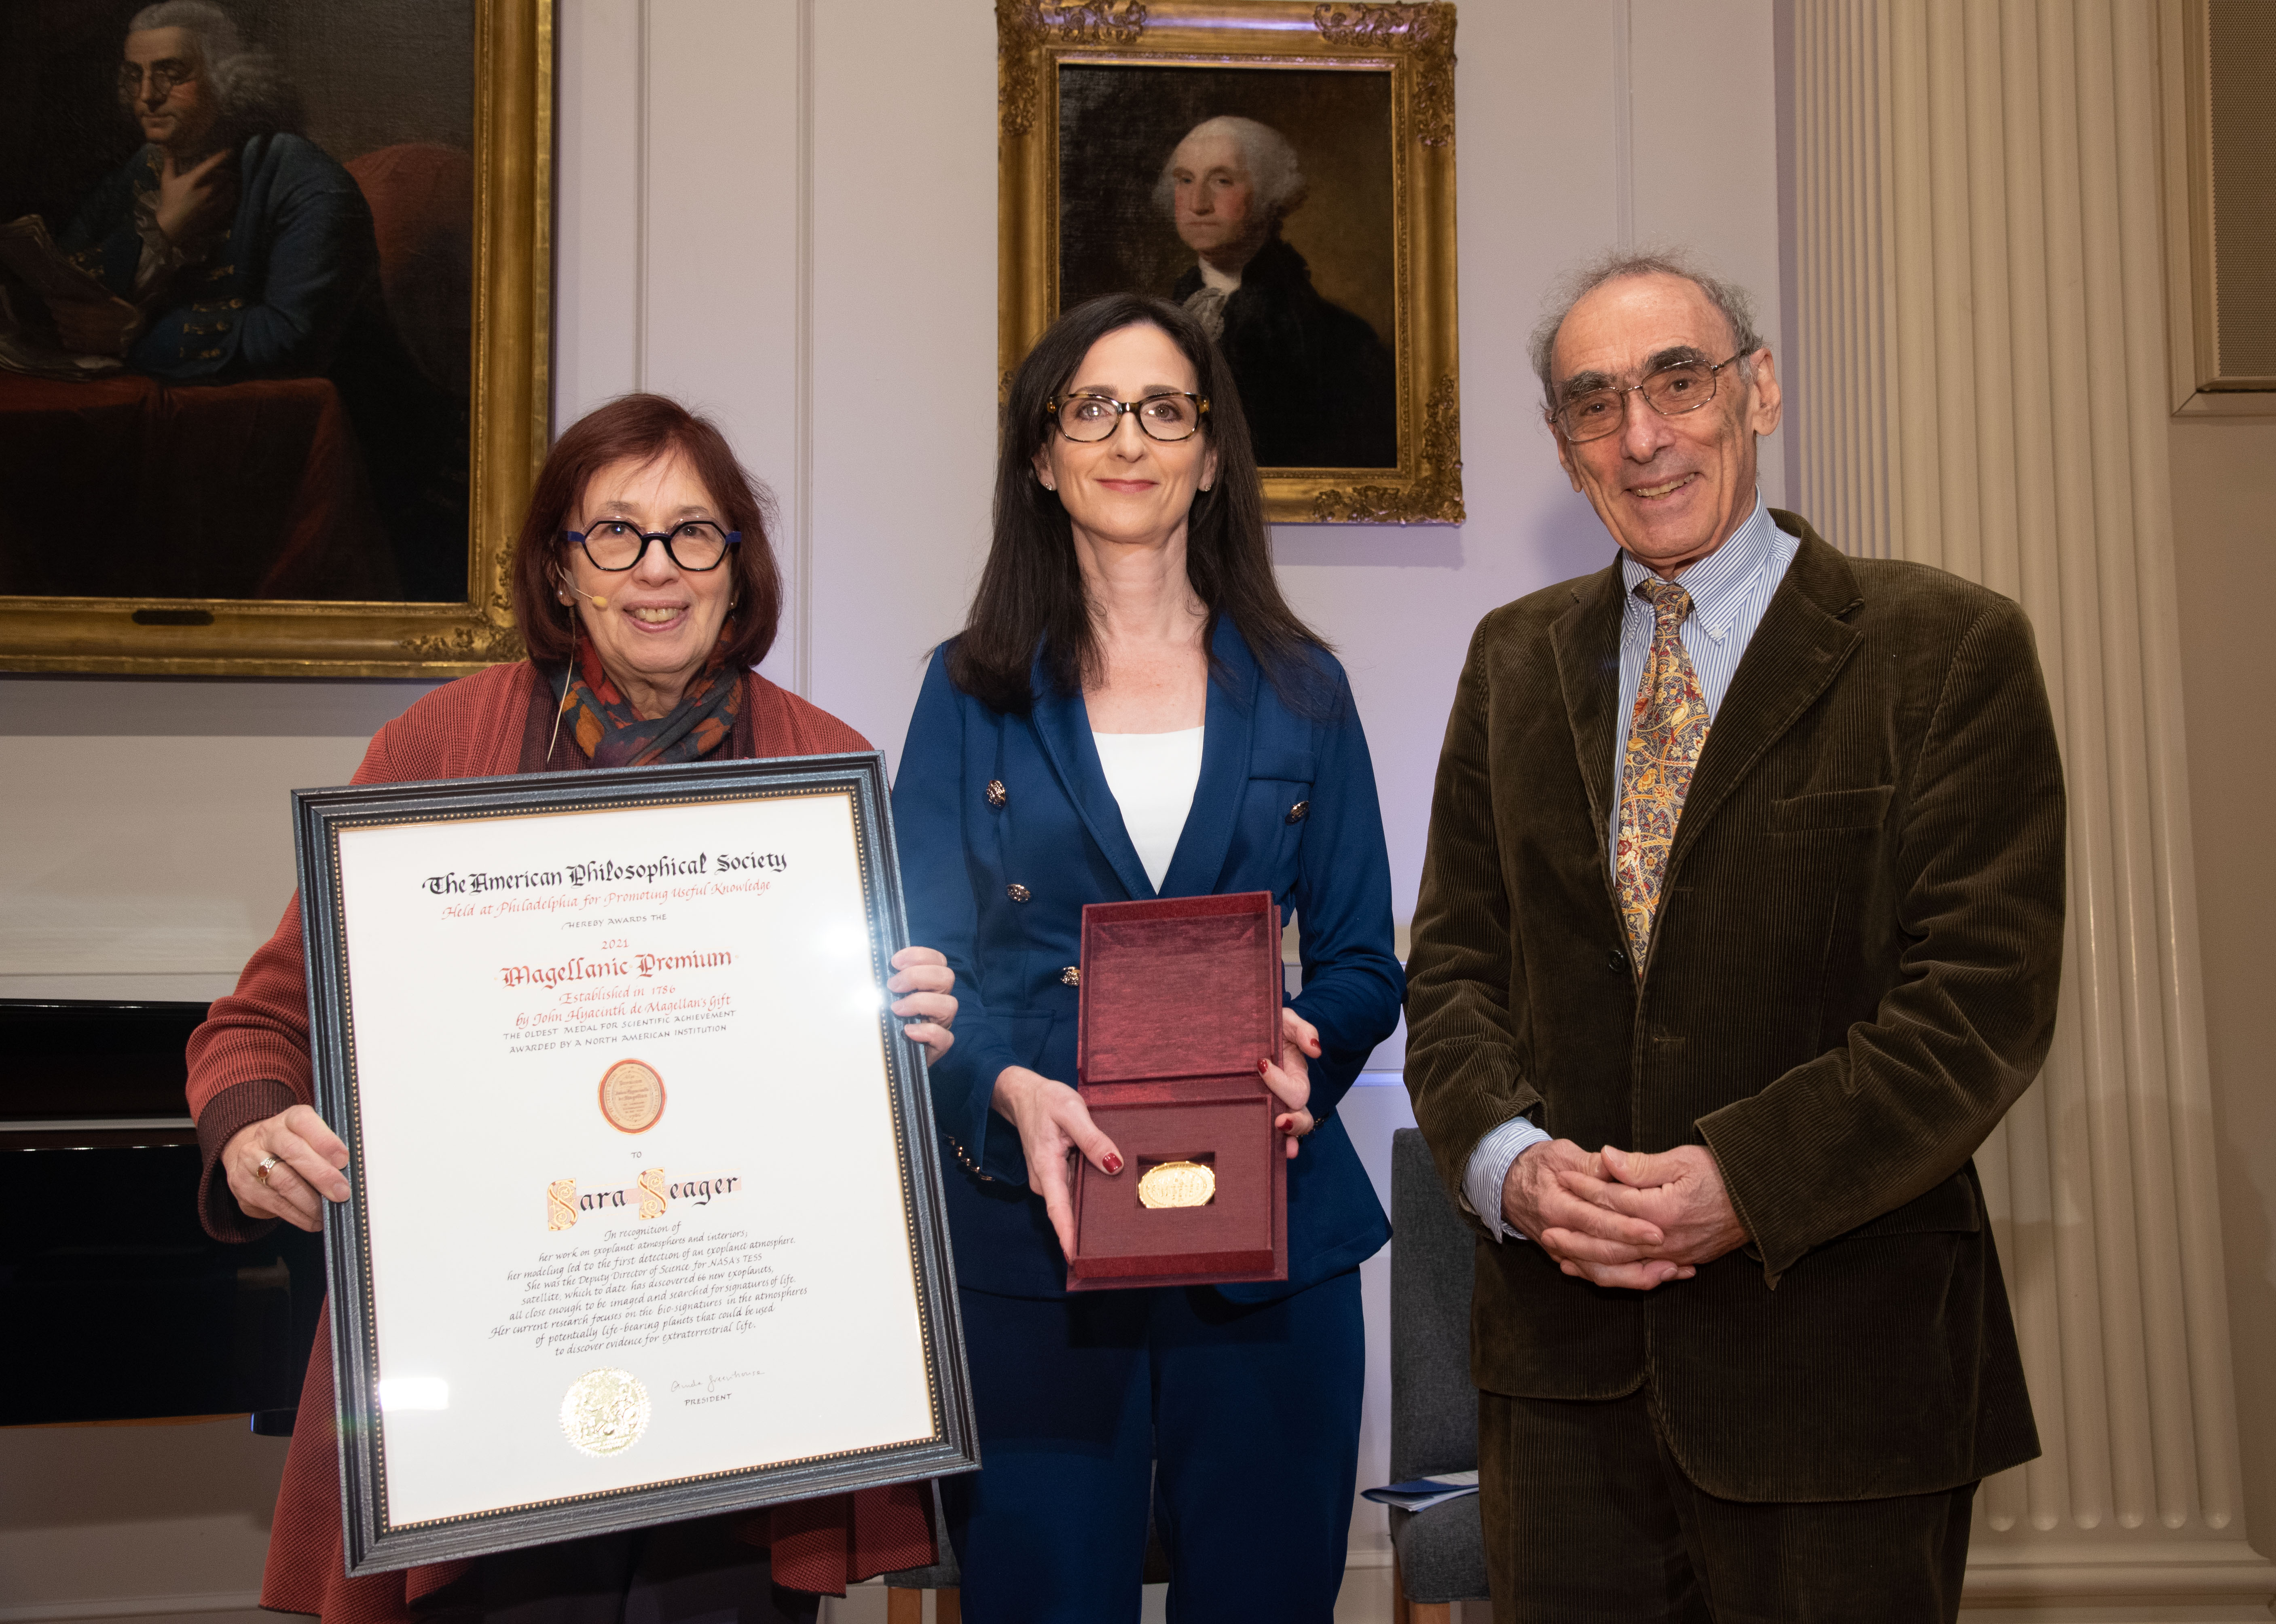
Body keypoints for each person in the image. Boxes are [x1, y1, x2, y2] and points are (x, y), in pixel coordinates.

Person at [184, 393, 956, 1621]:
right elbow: (258, 1027)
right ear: (560, 561)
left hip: (738, 1398)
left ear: (735, 564)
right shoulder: (438, 748)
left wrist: (903, 1031)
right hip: (496, 1399)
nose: (658, 570)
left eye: (694, 534)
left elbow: (840, 1099)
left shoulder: (821, 777)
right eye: (616, 534)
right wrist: (249, 1126)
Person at [1402, 249, 2066, 1621]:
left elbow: (1976, 1006)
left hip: (1837, 1371)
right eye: (1593, 403)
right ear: (1563, 444)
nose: (1640, 434)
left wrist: (1742, 1179)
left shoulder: (1941, 646)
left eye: (1676, 381)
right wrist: (1506, 1166)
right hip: (1563, 1376)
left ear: (1756, 388)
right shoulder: (1511, 660)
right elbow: (1455, 968)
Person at [894, 292, 1403, 1621]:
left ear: (1211, 452)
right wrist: (1006, 1086)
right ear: (1040, 454)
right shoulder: (964, 691)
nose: (1129, 437)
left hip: (1269, 1245)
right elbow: (916, 984)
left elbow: (1361, 959)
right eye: (1092, 408)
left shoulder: (1305, 687)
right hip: (1029, 1246)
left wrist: (1307, 1044)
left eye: (1165, 408)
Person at [43, 0, 465, 598]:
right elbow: (67, 282)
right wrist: (159, 236)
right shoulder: (142, 172)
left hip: (367, 472)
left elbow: (285, 339)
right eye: (134, 77)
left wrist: (131, 336)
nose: (148, 95)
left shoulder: (302, 179)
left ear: (228, 80)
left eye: (171, 73)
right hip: (216, 452)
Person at [1156, 116, 1396, 469]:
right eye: (1185, 181)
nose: (1198, 203)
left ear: (1271, 195)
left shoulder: (1343, 342)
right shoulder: (1160, 320)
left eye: (1222, 181)